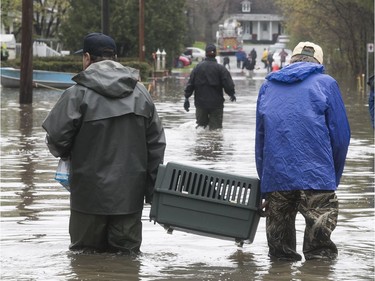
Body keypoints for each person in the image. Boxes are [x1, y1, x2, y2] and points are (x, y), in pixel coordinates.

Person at [42, 32, 166, 254]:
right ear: (115, 57)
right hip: (129, 201)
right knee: (127, 263)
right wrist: (152, 193)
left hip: (87, 201)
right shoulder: (142, 95)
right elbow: (156, 147)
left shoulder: (76, 94)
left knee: (84, 262)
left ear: (87, 58)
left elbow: (56, 142)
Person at [255, 41, 350, 261]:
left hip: (277, 177)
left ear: (292, 61)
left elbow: (261, 140)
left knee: (280, 256)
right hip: (317, 177)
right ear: (318, 62)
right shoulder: (326, 84)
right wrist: (331, 177)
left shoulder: (267, 86)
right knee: (320, 255)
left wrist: (265, 185)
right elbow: (341, 137)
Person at [183, 43, 236, 130]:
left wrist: (186, 97)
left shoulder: (197, 68)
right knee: (216, 130)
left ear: (205, 54)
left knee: (201, 128)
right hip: (216, 104)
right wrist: (231, 94)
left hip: (201, 104)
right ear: (215, 54)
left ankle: (202, 143)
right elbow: (228, 84)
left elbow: (190, 84)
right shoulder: (221, 69)